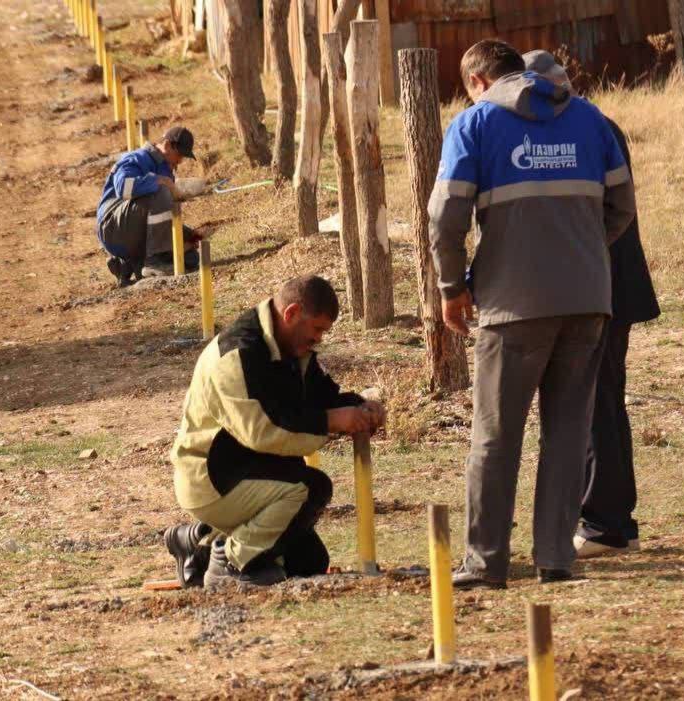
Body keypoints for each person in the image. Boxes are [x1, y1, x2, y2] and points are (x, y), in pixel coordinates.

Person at [427, 39, 637, 589]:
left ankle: (486, 563)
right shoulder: (591, 120)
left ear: (477, 80)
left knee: (496, 436)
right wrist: (583, 251)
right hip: (588, 301)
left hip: (511, 305)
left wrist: (453, 288)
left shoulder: (475, 125)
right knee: (568, 433)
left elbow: (446, 220)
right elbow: (621, 208)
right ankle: (555, 561)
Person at [521, 51, 661, 559]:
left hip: (597, 286)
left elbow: (607, 213)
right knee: (602, 400)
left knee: (593, 401)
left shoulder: (585, 127)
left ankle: (604, 522)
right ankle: (614, 518)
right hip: (603, 284)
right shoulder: (597, 123)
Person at [164, 275, 385, 587]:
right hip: (212, 478)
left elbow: (319, 397)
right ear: (291, 313)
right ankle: (231, 563)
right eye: (318, 329)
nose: (320, 339)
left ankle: (199, 543)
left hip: (246, 469)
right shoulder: (238, 355)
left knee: (308, 562)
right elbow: (263, 431)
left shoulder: (292, 347)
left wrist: (360, 406)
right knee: (310, 488)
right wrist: (333, 421)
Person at [96, 126, 201, 286]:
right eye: (179, 155)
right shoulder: (138, 158)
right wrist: (157, 180)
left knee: (191, 259)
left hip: (133, 229)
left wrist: (188, 234)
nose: (180, 161)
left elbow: (159, 216)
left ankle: (129, 265)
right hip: (112, 228)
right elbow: (123, 188)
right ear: (168, 145)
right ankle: (153, 261)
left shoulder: (165, 168)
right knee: (161, 190)